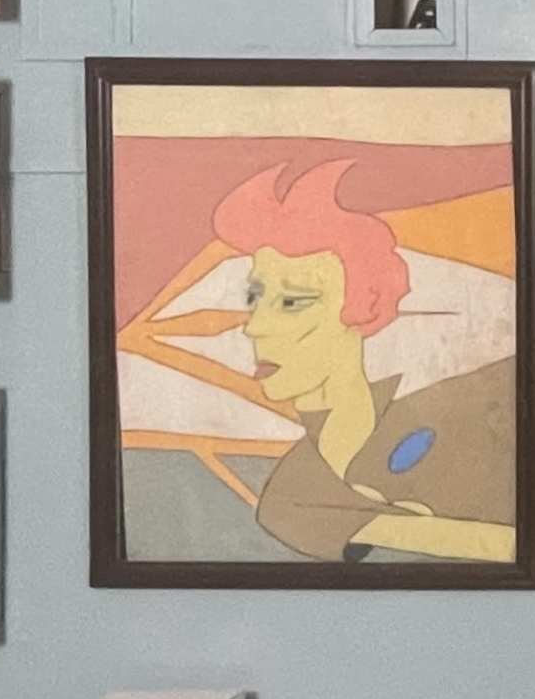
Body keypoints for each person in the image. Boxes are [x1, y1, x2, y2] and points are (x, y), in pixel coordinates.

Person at [208, 159, 517, 562]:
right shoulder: (292, 499)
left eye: (292, 301)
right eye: (254, 298)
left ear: (366, 308)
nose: (255, 327)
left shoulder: (487, 394)